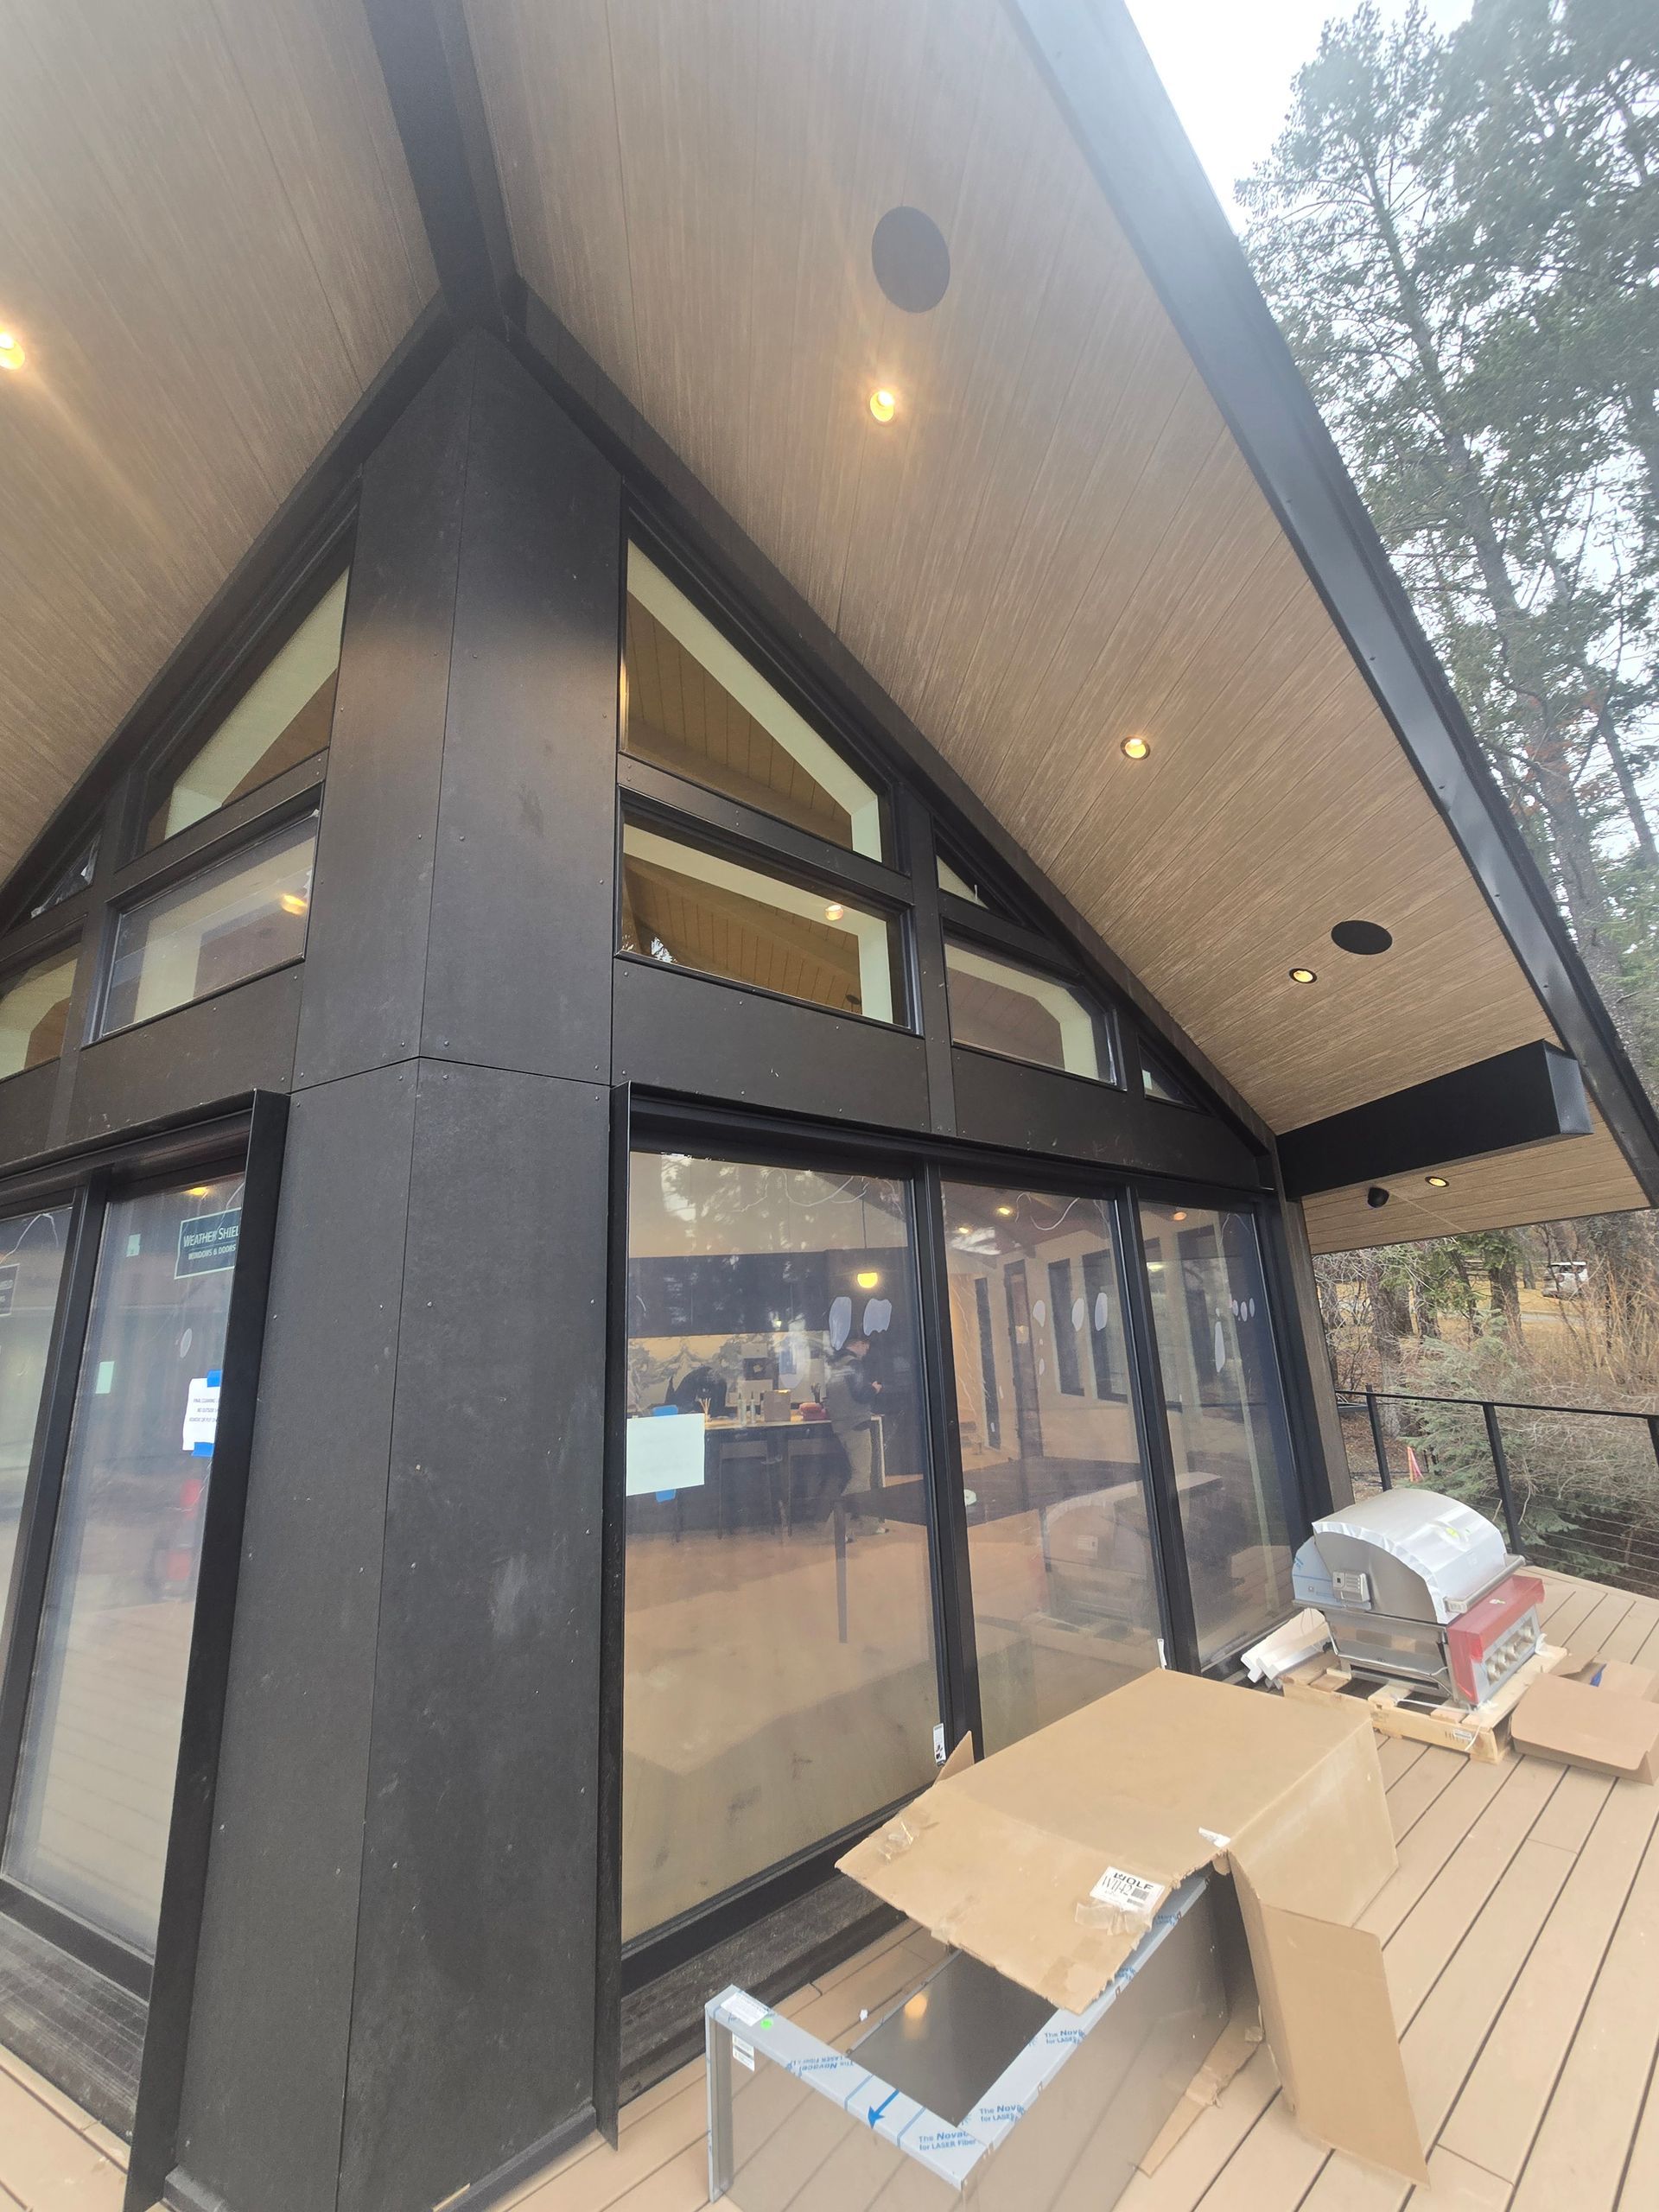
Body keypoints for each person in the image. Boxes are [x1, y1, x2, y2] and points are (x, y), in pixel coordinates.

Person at [817, 1332, 881, 1521]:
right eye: (866, 1346)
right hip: (856, 1423)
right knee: (861, 1477)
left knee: (862, 1475)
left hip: (841, 1425)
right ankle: (834, 1526)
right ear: (859, 1344)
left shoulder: (836, 1365)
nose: (866, 1351)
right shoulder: (854, 1364)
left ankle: (870, 1525)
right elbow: (861, 1395)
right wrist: (874, 1389)